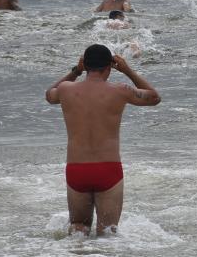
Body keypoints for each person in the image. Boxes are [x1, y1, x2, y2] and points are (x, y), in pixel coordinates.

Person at [44, 44, 161, 235]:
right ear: (110, 66)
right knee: (108, 233)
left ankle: (73, 255)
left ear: (85, 65)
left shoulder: (65, 89)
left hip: (77, 170)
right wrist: (128, 70)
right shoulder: (120, 90)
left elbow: (49, 94)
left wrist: (75, 71)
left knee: (78, 228)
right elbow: (154, 98)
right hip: (108, 169)